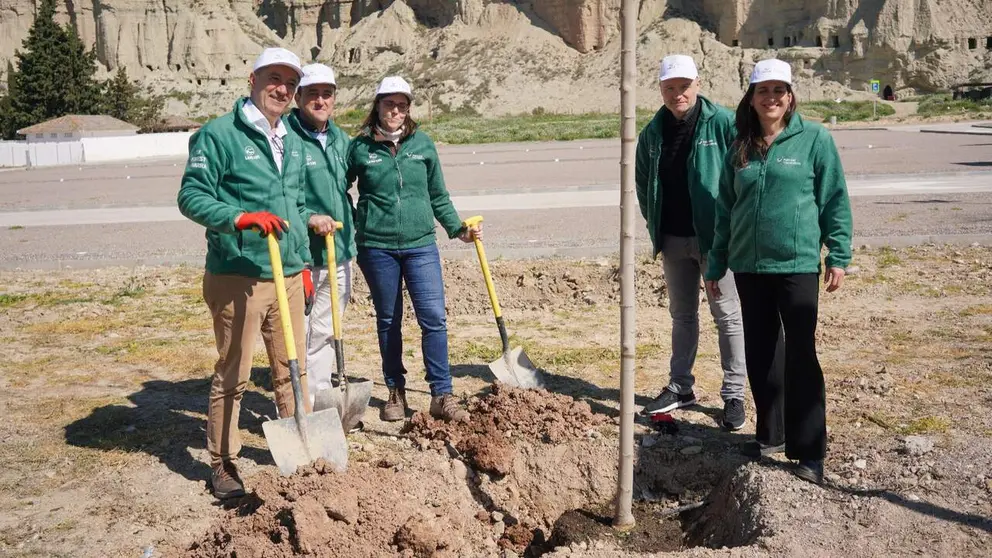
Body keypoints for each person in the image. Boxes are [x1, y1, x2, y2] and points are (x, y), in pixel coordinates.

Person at [704, 59, 853, 485]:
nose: (771, 98)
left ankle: (809, 452)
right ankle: (769, 433)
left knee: (801, 355)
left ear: (790, 96)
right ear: (750, 99)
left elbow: (835, 199)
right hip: (749, 266)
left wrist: (838, 254)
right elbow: (725, 210)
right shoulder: (740, 147)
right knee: (763, 352)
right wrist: (717, 262)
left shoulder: (814, 139)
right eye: (762, 91)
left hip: (797, 265)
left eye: (779, 91)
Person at [177, 47, 315, 499]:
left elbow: (293, 204)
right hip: (239, 274)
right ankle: (223, 463)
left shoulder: (291, 138)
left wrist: (305, 263)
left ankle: (307, 453)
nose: (282, 89)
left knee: (292, 369)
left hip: (288, 273)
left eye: (290, 83)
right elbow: (192, 198)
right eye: (274, 78)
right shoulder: (218, 135)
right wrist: (240, 218)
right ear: (252, 79)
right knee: (234, 373)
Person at [346, 76, 480, 423]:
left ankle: (441, 394)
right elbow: (335, 189)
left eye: (402, 104)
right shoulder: (360, 148)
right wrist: (352, 219)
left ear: (409, 108)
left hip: (421, 245)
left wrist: (457, 228)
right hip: (376, 247)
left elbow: (438, 195)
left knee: (433, 319)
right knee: (389, 320)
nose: (396, 110)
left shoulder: (423, 145)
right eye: (389, 103)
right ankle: (395, 391)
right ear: (377, 105)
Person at [635, 54, 747, 431]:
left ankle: (734, 392)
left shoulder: (723, 123)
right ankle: (681, 386)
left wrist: (731, 232)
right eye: (670, 87)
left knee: (727, 315)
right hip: (673, 240)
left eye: (684, 86)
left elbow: (743, 176)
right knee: (682, 316)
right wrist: (656, 224)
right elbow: (642, 181)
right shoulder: (653, 132)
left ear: (697, 84)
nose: (677, 93)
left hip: (716, 241)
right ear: (661, 90)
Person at [286, 63, 356, 403]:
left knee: (328, 331)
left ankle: (322, 397)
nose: (320, 100)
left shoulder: (342, 139)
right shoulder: (285, 136)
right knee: (303, 333)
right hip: (303, 255)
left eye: (326, 94)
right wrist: (309, 217)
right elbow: (282, 196)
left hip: (339, 252)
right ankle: (302, 403)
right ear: (298, 97)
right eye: (312, 93)